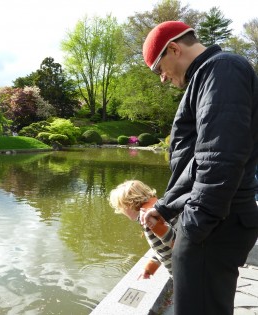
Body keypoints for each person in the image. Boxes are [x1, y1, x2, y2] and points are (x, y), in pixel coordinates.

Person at [140, 21, 258, 315]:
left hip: (214, 224)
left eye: (159, 69)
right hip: (214, 221)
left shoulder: (222, 70)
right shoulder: (210, 75)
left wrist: (195, 225)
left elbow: (221, 156)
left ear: (174, 48)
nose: (163, 79)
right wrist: (167, 207)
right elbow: (198, 159)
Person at [109, 180, 178, 279]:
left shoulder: (148, 218)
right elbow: (161, 249)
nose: (122, 212)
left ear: (129, 205)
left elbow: (175, 242)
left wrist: (155, 225)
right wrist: (149, 268)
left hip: (184, 270)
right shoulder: (159, 207)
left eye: (121, 208)